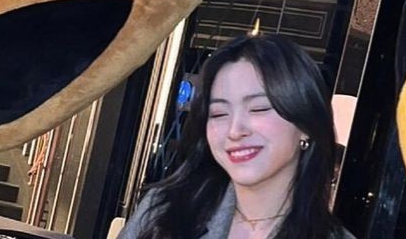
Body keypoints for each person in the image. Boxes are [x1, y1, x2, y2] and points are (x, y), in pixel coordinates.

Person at [117, 34, 356, 239]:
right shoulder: (164, 213)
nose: (234, 130)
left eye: (258, 109)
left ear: (306, 123)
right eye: (219, 113)